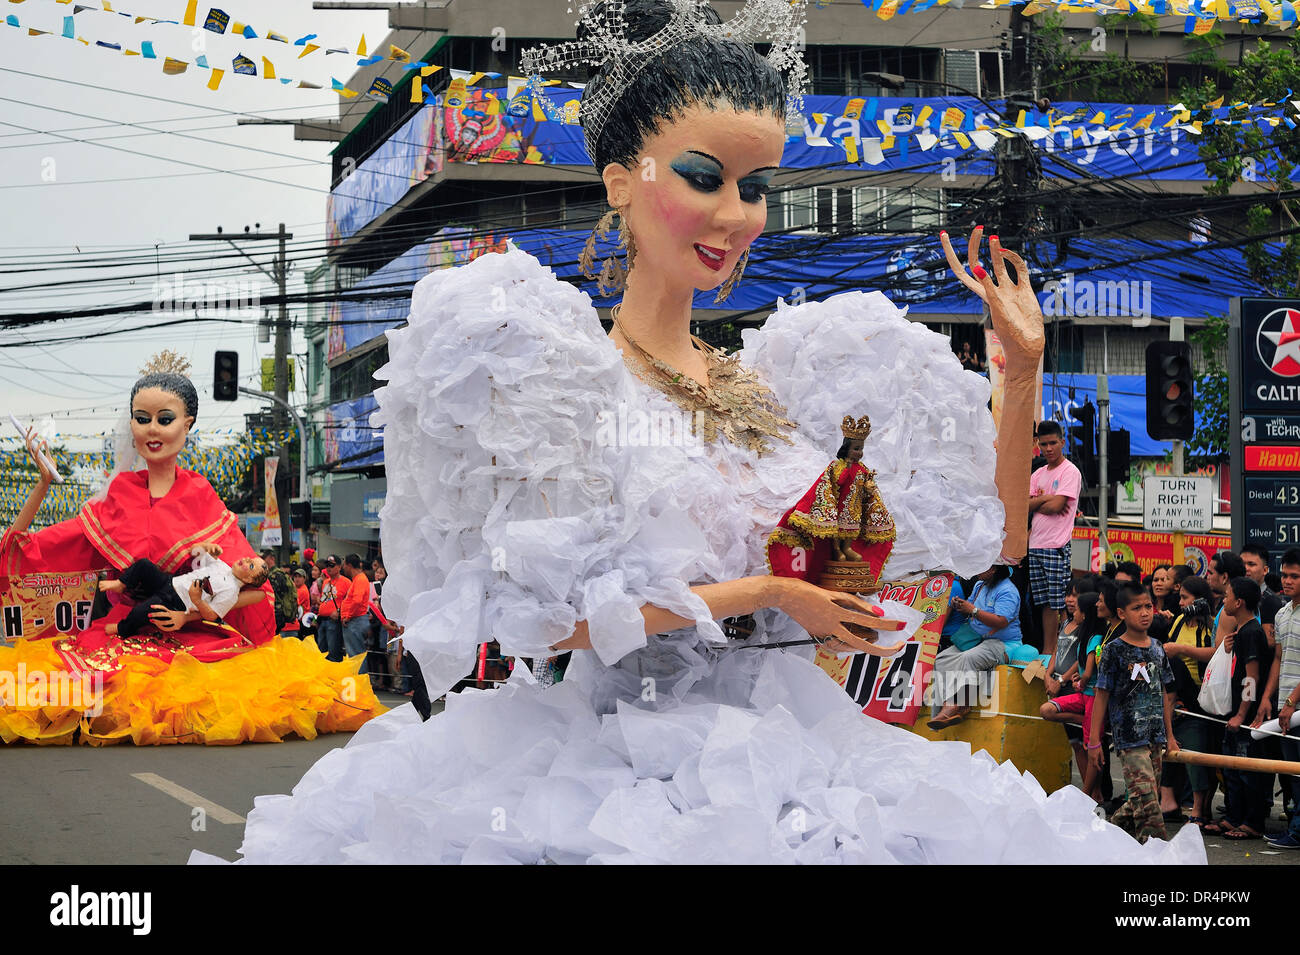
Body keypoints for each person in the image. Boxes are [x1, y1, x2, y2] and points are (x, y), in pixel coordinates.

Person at [203, 0, 1202, 865]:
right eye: (704, 174)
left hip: (794, 753)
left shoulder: (783, 387)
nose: (735, 214)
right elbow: (544, 622)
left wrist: (1017, 374)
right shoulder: (553, 371)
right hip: (606, 767)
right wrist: (766, 591)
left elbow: (995, 536)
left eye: (756, 185)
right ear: (619, 180)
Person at [0, 362, 382, 745]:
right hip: (122, 630)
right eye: (141, 418)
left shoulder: (201, 498)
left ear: (188, 423)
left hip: (192, 636)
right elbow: (27, 550)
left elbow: (254, 589)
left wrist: (187, 614)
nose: (152, 429)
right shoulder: (115, 498)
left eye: (165, 418)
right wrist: (43, 484)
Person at [1088, 581, 1178, 843]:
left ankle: (1102, 838)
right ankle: (1156, 853)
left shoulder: (1158, 647)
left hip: (1155, 737)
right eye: (1136, 607)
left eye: (1148, 606)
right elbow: (1101, 695)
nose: (1145, 612)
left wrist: (1169, 735)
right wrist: (1094, 742)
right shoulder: (1114, 650)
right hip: (1129, 738)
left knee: (1139, 799)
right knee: (1149, 804)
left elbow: (1163, 693)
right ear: (1122, 613)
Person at [1205, 577, 1273, 839]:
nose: (1224, 601)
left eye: (1228, 596)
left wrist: (1242, 714)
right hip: (1235, 713)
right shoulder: (1242, 632)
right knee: (1232, 769)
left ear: (1239, 602)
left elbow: (1251, 677)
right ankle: (1234, 816)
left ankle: (1252, 822)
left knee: (1247, 771)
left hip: (1245, 717)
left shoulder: (1253, 632)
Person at [928, 563, 1023, 729]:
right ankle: (940, 713)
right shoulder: (980, 585)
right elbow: (970, 606)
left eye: (982, 566)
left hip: (1003, 643)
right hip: (976, 639)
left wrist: (973, 610)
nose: (976, 570)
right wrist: (961, 605)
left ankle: (960, 704)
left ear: (993, 569)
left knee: (969, 658)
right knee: (941, 659)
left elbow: (1001, 621)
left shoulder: (1008, 591)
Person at [99, 546, 269, 639]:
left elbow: (212, 615)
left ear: (248, 581)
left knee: (140, 612)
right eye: (250, 558)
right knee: (144, 565)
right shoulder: (222, 565)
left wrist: (197, 601)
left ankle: (123, 629)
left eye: (251, 566)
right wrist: (206, 548)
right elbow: (196, 553)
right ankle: (122, 583)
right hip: (170, 582)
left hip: (176, 601)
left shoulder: (231, 592)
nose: (246, 560)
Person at [1156, 575, 1218, 829]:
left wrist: (1182, 649)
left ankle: (1199, 808)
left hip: (1199, 693)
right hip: (1177, 690)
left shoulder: (1209, 625)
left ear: (1199, 600)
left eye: (1185, 598)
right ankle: (1168, 801)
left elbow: (1214, 654)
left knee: (1195, 752)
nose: (1180, 603)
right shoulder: (1180, 620)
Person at [1027, 421, 1081, 660]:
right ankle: (1048, 651)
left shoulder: (1070, 471)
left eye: (1052, 443)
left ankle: (1062, 652)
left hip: (1057, 545)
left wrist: (1041, 502)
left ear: (1062, 442)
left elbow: (1059, 505)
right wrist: (1044, 501)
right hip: (1035, 544)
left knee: (1060, 603)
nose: (1048, 448)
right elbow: (1025, 505)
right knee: (1044, 603)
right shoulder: (1038, 473)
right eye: (1043, 444)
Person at [1040, 588, 1103, 787]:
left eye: (1075, 597)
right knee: (1050, 714)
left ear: (1085, 612)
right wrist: (1048, 676)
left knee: (1088, 745)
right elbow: (1057, 651)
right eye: (1068, 594)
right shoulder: (1068, 624)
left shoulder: (1093, 636)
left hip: (1082, 690)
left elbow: (1086, 664)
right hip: (1076, 689)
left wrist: (1069, 681)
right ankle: (1087, 721)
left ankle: (1089, 792)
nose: (1070, 602)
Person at [1260, 548, 1300, 849]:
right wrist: (1267, 700)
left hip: (1295, 710)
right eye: (1285, 575)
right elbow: (1278, 659)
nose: (1287, 581)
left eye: (1294, 576)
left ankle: (1298, 832)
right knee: (1292, 774)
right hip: (1285, 710)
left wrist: (1290, 703)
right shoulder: (1282, 614)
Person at [340, 554, 373, 671]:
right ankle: (359, 681)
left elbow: (357, 600)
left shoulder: (360, 579)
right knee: (356, 654)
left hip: (355, 621)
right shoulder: (359, 579)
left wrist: (348, 616)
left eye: (344, 565)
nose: (343, 568)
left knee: (356, 655)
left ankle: (360, 683)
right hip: (356, 620)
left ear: (349, 565)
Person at [315, 555, 350, 662]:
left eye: (331, 565)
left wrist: (339, 612)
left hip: (333, 622)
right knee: (321, 652)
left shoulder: (346, 582)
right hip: (322, 620)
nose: (328, 568)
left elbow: (349, 601)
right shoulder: (326, 581)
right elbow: (323, 602)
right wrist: (316, 619)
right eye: (327, 565)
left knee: (333, 652)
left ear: (339, 567)